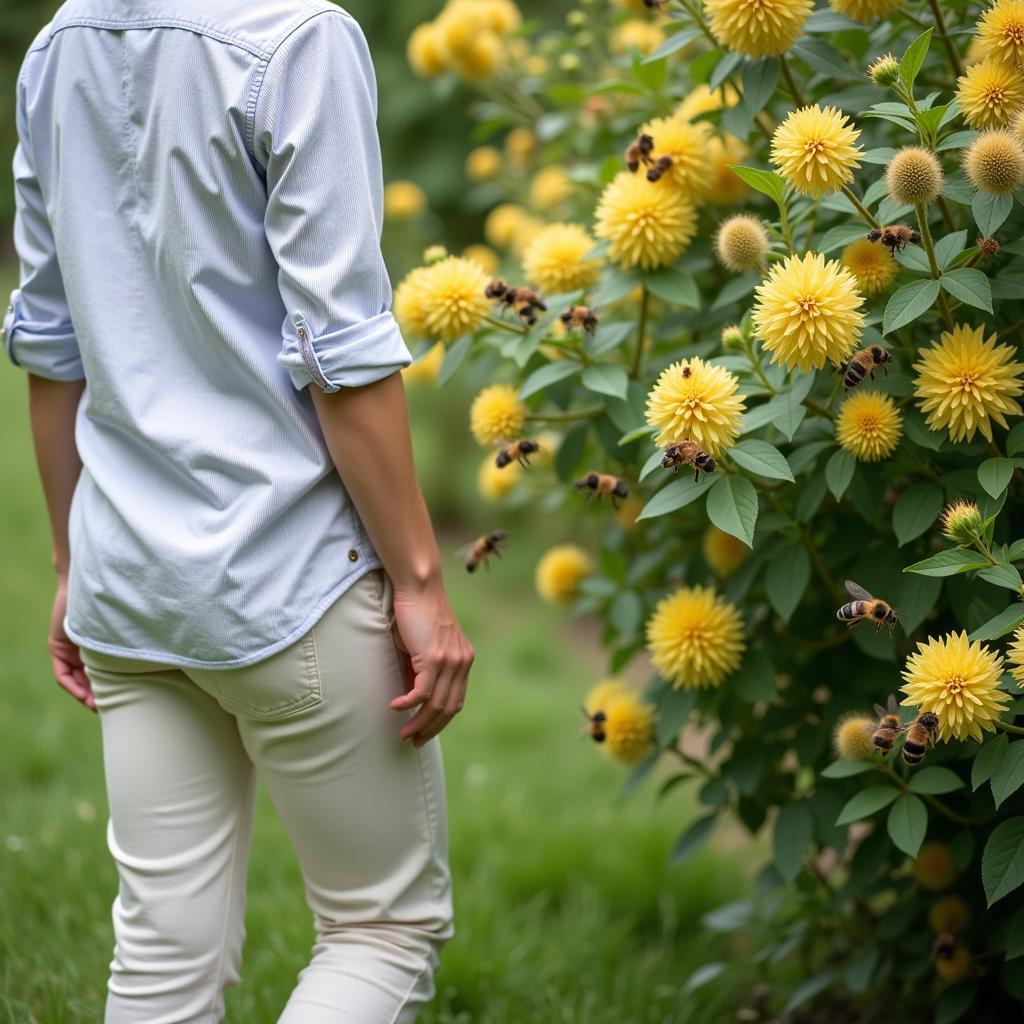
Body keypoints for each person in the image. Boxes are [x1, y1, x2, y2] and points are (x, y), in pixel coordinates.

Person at [5, 0, 474, 1020]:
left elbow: (49, 341)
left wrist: (67, 560)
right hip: (289, 578)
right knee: (378, 930)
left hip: (127, 579)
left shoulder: (59, 44)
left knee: (162, 959)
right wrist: (420, 584)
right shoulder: (299, 36)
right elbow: (339, 353)